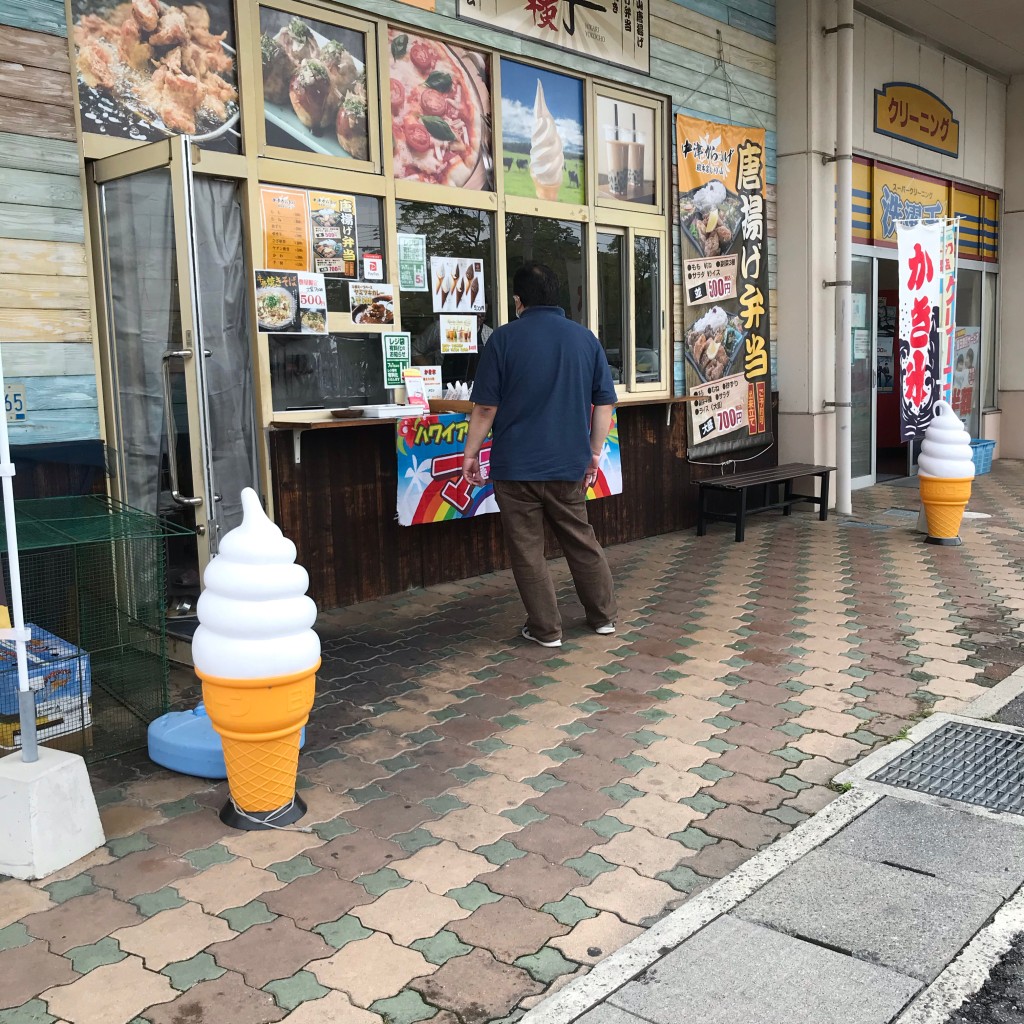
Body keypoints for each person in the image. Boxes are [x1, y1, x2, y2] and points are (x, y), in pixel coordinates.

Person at [462, 262, 617, 648]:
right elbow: (604, 405)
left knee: (527, 550)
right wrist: (594, 453)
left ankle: (546, 630)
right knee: (582, 541)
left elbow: (484, 409)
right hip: (568, 464)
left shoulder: (502, 339)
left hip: (516, 468)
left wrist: (470, 454)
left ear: (519, 300)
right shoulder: (585, 339)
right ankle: (603, 618)